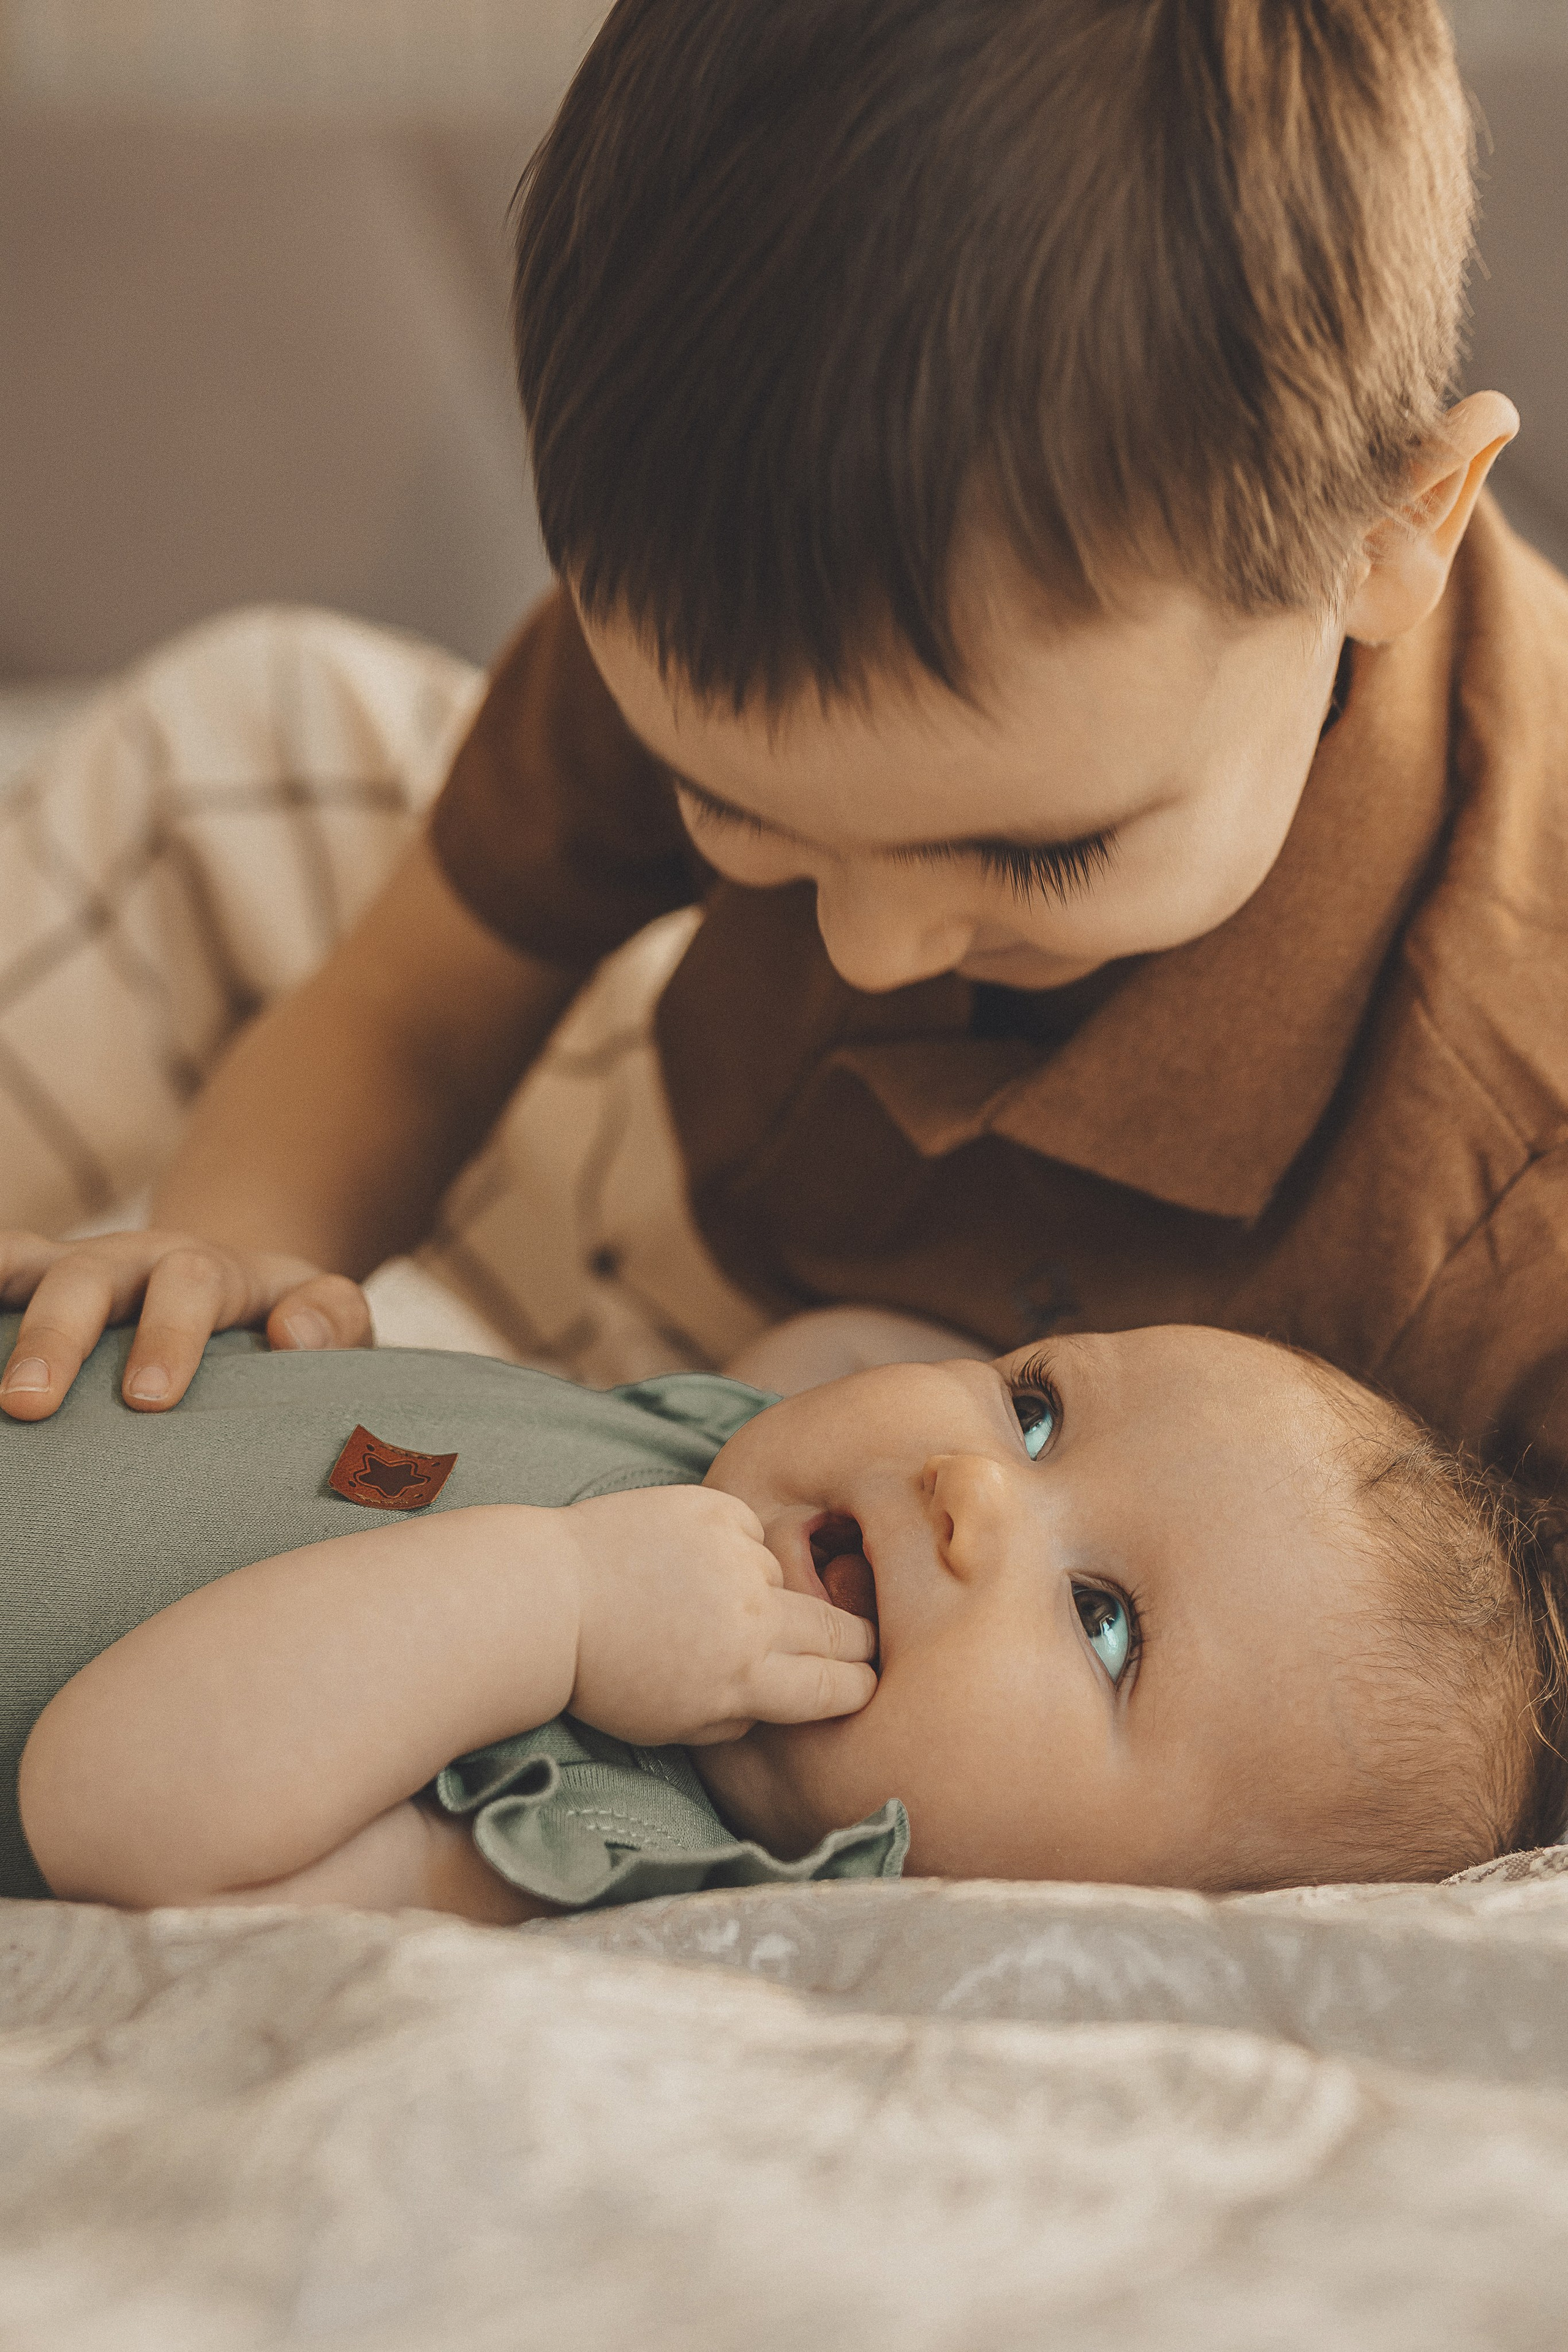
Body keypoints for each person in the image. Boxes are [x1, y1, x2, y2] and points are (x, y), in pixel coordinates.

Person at [4, 0, 1566, 1503]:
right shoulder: (746, 555)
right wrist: (228, 1274)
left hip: (1000, 1582)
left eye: (1034, 851)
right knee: (245, 725)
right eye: (734, 808)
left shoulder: (1505, 1176)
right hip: (689, 1183)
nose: (866, 948)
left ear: (1394, 534)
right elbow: (415, 1011)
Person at [12, 1306, 1568, 1920]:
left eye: (1102, 1622)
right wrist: (242, 1302)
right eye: (1034, 1412)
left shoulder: (608, 1830)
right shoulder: (714, 1443)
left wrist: (556, 1603)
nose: (968, 1484)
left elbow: (115, 1816)